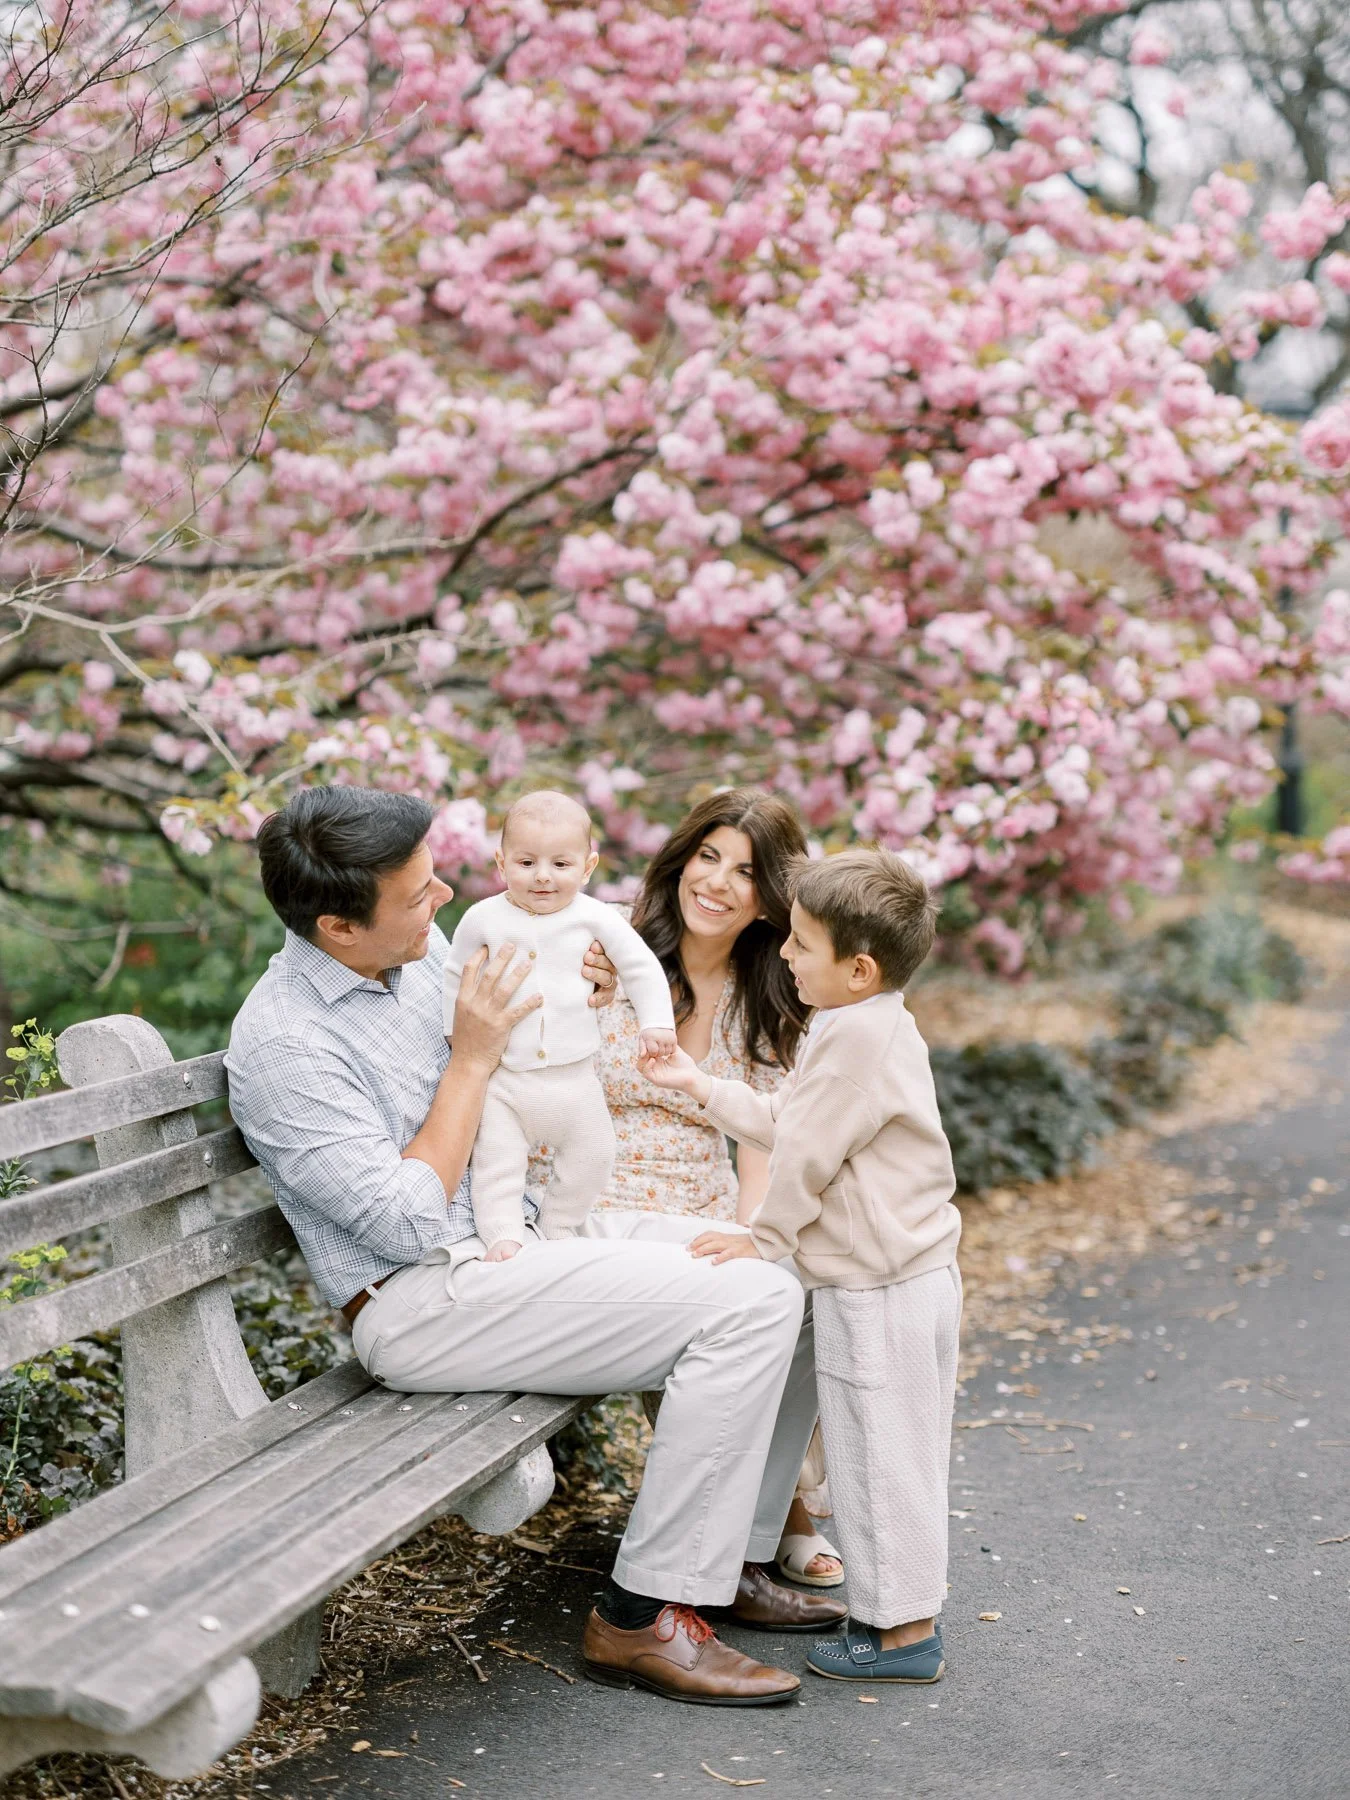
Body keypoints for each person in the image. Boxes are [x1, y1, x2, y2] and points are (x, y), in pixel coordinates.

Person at [225, 784, 846, 1709]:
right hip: (428, 1293)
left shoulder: (413, 955)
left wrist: (585, 991)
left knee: (788, 1270)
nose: (443, 902)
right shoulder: (284, 1045)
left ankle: (733, 1559)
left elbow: (533, 1023)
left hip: (515, 1233)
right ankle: (642, 1614)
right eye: (417, 895)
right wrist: (473, 1058)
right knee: (747, 1302)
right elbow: (399, 1222)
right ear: (337, 927)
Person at [641, 848, 962, 1684]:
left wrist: (765, 1237)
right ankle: (900, 1618)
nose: (782, 953)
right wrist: (700, 1085)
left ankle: (900, 1636)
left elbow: (806, 1157)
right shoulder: (867, 1019)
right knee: (900, 1449)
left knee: (879, 1456)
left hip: (878, 1284)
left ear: (857, 967)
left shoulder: (854, 1032)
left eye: (802, 945)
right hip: (905, 1272)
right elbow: (792, 1117)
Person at [588, 788, 844, 1589]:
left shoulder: (768, 996)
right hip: (595, 1210)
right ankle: (774, 1525)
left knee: (795, 1282)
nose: (719, 883)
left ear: (771, 897)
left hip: (697, 1214)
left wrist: (757, 1238)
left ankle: (755, 1528)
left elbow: (762, 1148)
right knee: (741, 1299)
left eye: (746, 872)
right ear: (680, 859)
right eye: (708, 857)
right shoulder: (607, 956)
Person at [442, 790, 675, 1258]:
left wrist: (656, 1023)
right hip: (506, 1080)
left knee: (595, 1152)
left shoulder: (594, 917)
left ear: (588, 868)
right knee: (497, 1163)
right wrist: (456, 1033)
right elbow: (454, 975)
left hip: (575, 1079)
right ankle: (502, 1233)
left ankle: (560, 1222)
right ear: (501, 862)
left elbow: (640, 966)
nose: (543, 876)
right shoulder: (482, 917)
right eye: (526, 863)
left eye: (561, 865)